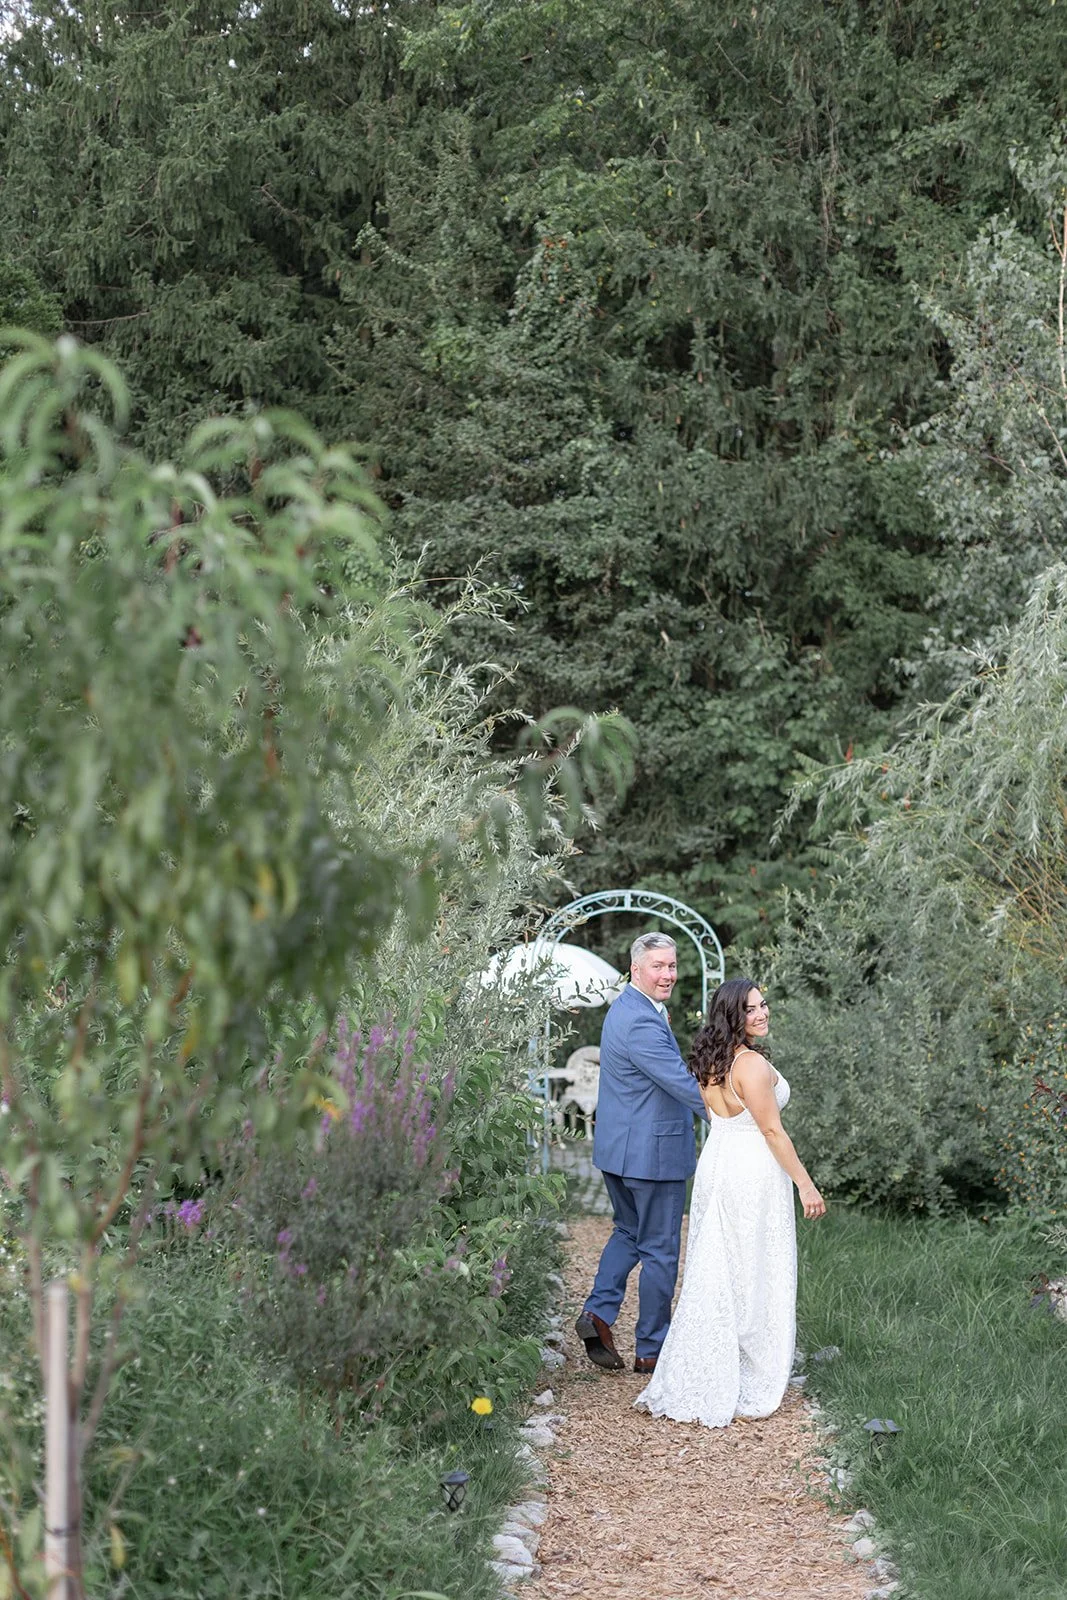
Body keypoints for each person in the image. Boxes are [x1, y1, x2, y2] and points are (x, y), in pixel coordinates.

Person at [635, 976, 826, 1428]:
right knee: (755, 1264)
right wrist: (805, 1184)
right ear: (732, 1016)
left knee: (719, 1264)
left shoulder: (710, 1061)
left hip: (719, 1164)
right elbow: (772, 1132)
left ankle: (716, 1362)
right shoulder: (751, 1066)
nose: (761, 1014)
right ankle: (751, 1367)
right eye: (751, 1009)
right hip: (752, 1171)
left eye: (763, 1004)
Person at [576, 933, 709, 1374]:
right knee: (660, 1251)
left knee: (629, 1233)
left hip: (620, 1151)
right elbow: (682, 1083)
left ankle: (597, 1314)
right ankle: (652, 1348)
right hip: (652, 1157)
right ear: (636, 969)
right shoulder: (642, 1021)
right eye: (658, 966)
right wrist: (735, 1113)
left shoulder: (631, 1010)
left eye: (672, 966)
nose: (668, 974)